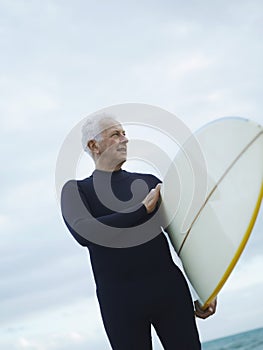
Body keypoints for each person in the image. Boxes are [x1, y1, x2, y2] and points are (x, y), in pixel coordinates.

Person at [60, 114, 217, 350]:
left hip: (170, 291)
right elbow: (85, 232)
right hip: (120, 302)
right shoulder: (75, 190)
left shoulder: (149, 182)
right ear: (94, 145)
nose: (125, 139)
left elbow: (182, 239)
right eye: (115, 134)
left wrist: (206, 288)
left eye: (124, 133)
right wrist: (142, 209)